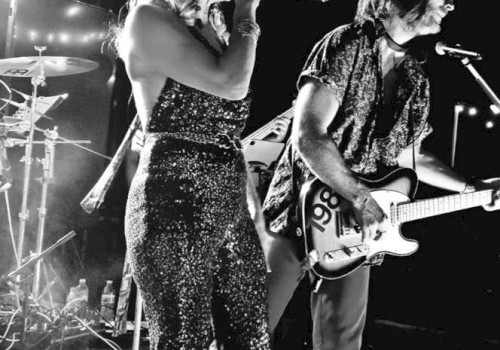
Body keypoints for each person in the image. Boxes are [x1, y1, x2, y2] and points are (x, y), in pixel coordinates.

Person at [261, 0, 500, 349]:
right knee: (247, 329)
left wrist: (471, 188)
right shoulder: (347, 44)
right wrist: (361, 197)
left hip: (357, 230)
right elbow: (308, 135)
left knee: (341, 342)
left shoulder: (415, 78)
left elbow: (409, 152)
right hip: (298, 210)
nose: (450, 5)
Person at [115, 0, 270, 348]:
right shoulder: (147, 18)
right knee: (184, 341)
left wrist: (251, 205)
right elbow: (232, 84)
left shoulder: (210, 27)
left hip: (228, 208)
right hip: (174, 204)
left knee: (253, 337)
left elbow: (225, 132)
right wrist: (246, 12)